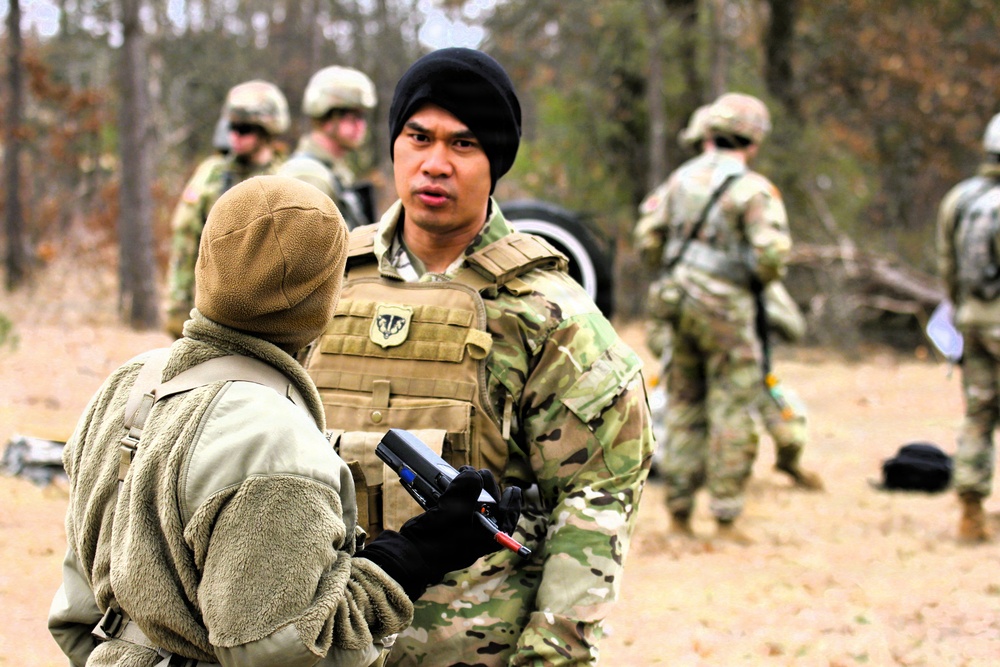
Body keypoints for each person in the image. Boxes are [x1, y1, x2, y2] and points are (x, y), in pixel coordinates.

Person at [48, 175, 519, 666]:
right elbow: (285, 653)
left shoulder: (131, 383)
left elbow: (80, 609)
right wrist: (416, 557)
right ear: (324, 297)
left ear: (207, 259)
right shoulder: (276, 444)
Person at [301, 48, 653, 666]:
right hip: (322, 642)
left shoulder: (547, 313)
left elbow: (597, 498)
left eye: (463, 145)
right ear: (394, 146)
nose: (435, 164)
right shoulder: (323, 284)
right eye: (419, 137)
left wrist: (552, 653)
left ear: (495, 162)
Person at [633, 92, 791, 544]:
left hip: (677, 302)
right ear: (753, 140)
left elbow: (648, 238)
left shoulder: (677, 182)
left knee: (682, 405)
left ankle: (679, 514)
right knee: (733, 406)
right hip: (727, 311)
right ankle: (725, 516)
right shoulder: (752, 189)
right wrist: (743, 278)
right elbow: (773, 255)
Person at [164, 80, 290, 338]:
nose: (236, 136)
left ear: (267, 132)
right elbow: (185, 237)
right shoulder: (212, 174)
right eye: (232, 127)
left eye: (245, 129)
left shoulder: (287, 179)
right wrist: (178, 303)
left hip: (265, 318)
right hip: (206, 309)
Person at [936, 111, 1000, 543]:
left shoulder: (959, 199)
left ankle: (971, 511)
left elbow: (947, 266)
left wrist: (960, 311)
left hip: (972, 321)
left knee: (978, 414)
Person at [280, 65, 377, 229]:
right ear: (328, 118)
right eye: (353, 116)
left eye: (362, 116)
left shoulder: (332, 170)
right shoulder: (307, 175)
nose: (361, 125)